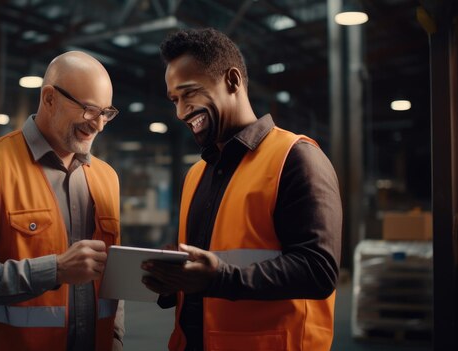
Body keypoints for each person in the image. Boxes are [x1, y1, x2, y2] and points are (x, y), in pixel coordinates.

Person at [141, 28, 342, 351]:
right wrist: (172, 279)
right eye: (174, 100)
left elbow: (318, 270)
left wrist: (217, 277)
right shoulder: (196, 174)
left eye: (189, 93)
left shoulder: (295, 158)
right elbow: (209, 267)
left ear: (232, 81)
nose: (180, 112)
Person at [0, 51, 124, 351]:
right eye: (88, 110)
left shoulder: (106, 178)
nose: (98, 125)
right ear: (49, 99)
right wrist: (55, 270)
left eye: (106, 113)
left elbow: (111, 278)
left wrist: (114, 339)